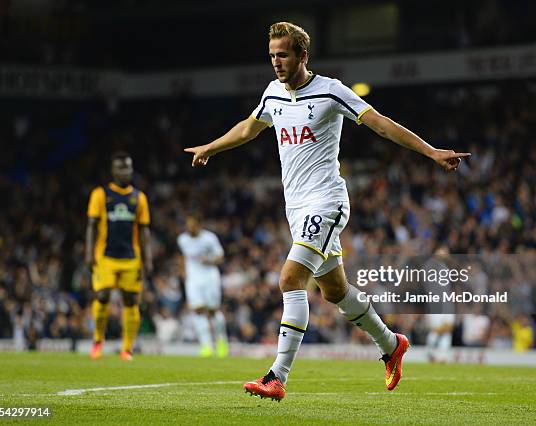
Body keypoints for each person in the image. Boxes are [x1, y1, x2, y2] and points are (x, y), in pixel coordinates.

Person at [184, 22, 469, 401]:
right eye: (271, 55)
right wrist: (210, 147)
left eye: (282, 54)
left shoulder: (331, 91)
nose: (276, 62)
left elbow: (380, 125)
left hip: (327, 202)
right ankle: (391, 343)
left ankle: (277, 376)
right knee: (335, 292)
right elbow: (248, 130)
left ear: (303, 55)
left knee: (289, 280)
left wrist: (431, 151)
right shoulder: (273, 95)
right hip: (296, 209)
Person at [85, 151, 153, 361]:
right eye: (121, 168)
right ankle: (98, 341)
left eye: (129, 168)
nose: (126, 172)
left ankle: (127, 349)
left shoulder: (139, 198)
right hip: (105, 256)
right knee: (102, 295)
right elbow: (91, 226)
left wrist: (147, 259)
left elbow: (144, 230)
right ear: (113, 171)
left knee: (131, 300)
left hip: (131, 257)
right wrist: (88, 253)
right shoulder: (100, 194)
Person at [177, 214, 228, 357]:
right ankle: (206, 346)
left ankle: (221, 341)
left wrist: (210, 260)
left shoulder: (209, 238)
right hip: (193, 279)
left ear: (199, 225)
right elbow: (183, 256)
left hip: (210, 278)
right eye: (188, 225)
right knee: (198, 310)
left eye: (192, 225)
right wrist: (182, 271)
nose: (190, 228)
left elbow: (220, 256)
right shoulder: (182, 239)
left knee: (212, 311)